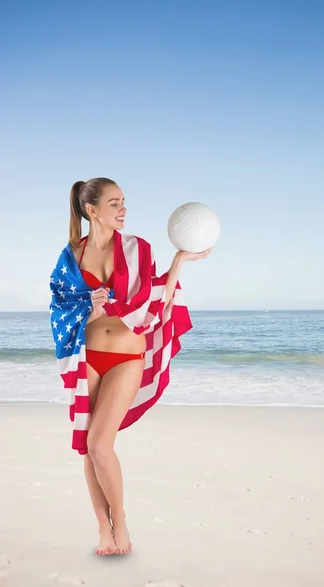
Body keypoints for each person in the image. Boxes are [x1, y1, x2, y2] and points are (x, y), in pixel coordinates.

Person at [49, 177, 211, 557]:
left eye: (124, 203)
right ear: (91, 210)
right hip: (88, 355)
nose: (123, 211)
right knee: (89, 449)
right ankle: (103, 531)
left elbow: (153, 297)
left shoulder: (139, 248)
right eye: (114, 204)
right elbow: (60, 309)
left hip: (126, 356)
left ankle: (120, 522)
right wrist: (91, 305)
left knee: (100, 445)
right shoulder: (71, 254)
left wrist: (178, 262)